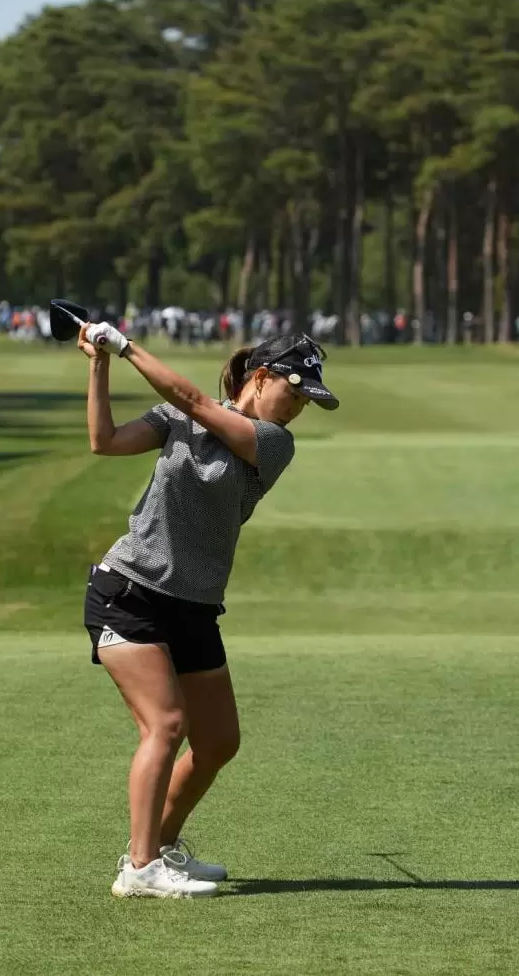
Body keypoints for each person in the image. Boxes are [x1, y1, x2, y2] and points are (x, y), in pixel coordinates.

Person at [77, 320, 339, 898]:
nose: (297, 409)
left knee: (218, 741)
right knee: (166, 725)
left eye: (305, 403)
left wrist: (126, 346)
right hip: (129, 591)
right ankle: (140, 868)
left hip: (194, 605)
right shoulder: (176, 420)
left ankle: (160, 848)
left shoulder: (272, 443)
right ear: (262, 377)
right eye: (293, 393)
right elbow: (105, 441)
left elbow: (192, 399)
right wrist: (99, 363)